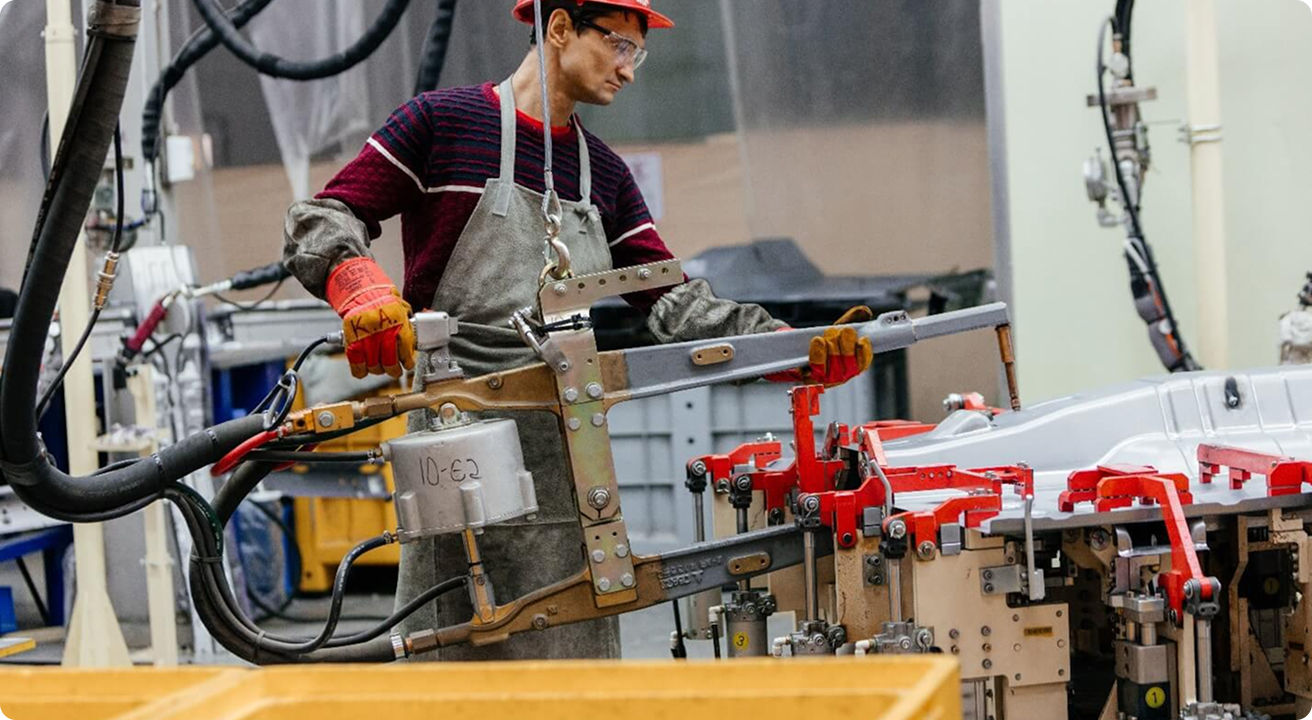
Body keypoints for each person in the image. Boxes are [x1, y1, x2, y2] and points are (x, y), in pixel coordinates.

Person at [283, 0, 873, 660]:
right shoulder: (442, 125)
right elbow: (324, 216)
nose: (629, 70)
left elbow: (674, 302)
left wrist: (790, 349)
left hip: (567, 451)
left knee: (573, 653)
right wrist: (358, 287)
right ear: (559, 27)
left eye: (637, 54)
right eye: (619, 45)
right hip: (457, 444)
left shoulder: (606, 176)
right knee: (453, 649)